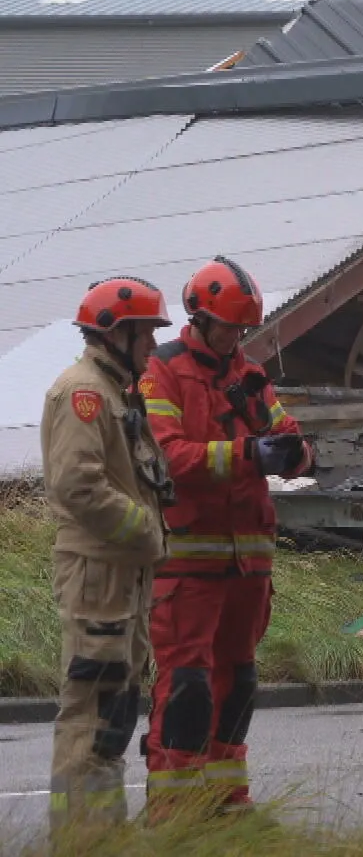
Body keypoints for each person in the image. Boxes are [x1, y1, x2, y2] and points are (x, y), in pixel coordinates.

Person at [141, 257, 308, 817]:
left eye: (243, 329)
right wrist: (247, 453)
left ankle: (229, 801)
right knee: (187, 682)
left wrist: (292, 452)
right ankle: (175, 813)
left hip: (247, 562)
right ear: (200, 315)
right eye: (230, 327)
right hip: (189, 562)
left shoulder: (249, 374)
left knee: (238, 681)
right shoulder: (161, 371)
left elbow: (287, 434)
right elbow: (168, 457)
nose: (237, 338)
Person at [42, 277, 174, 831]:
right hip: (100, 574)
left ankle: (102, 837)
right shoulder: (84, 393)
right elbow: (78, 486)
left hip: (121, 576)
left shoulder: (117, 391)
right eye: (146, 333)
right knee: (92, 720)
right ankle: (81, 841)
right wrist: (146, 530)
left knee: (113, 717)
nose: (152, 345)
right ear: (116, 332)